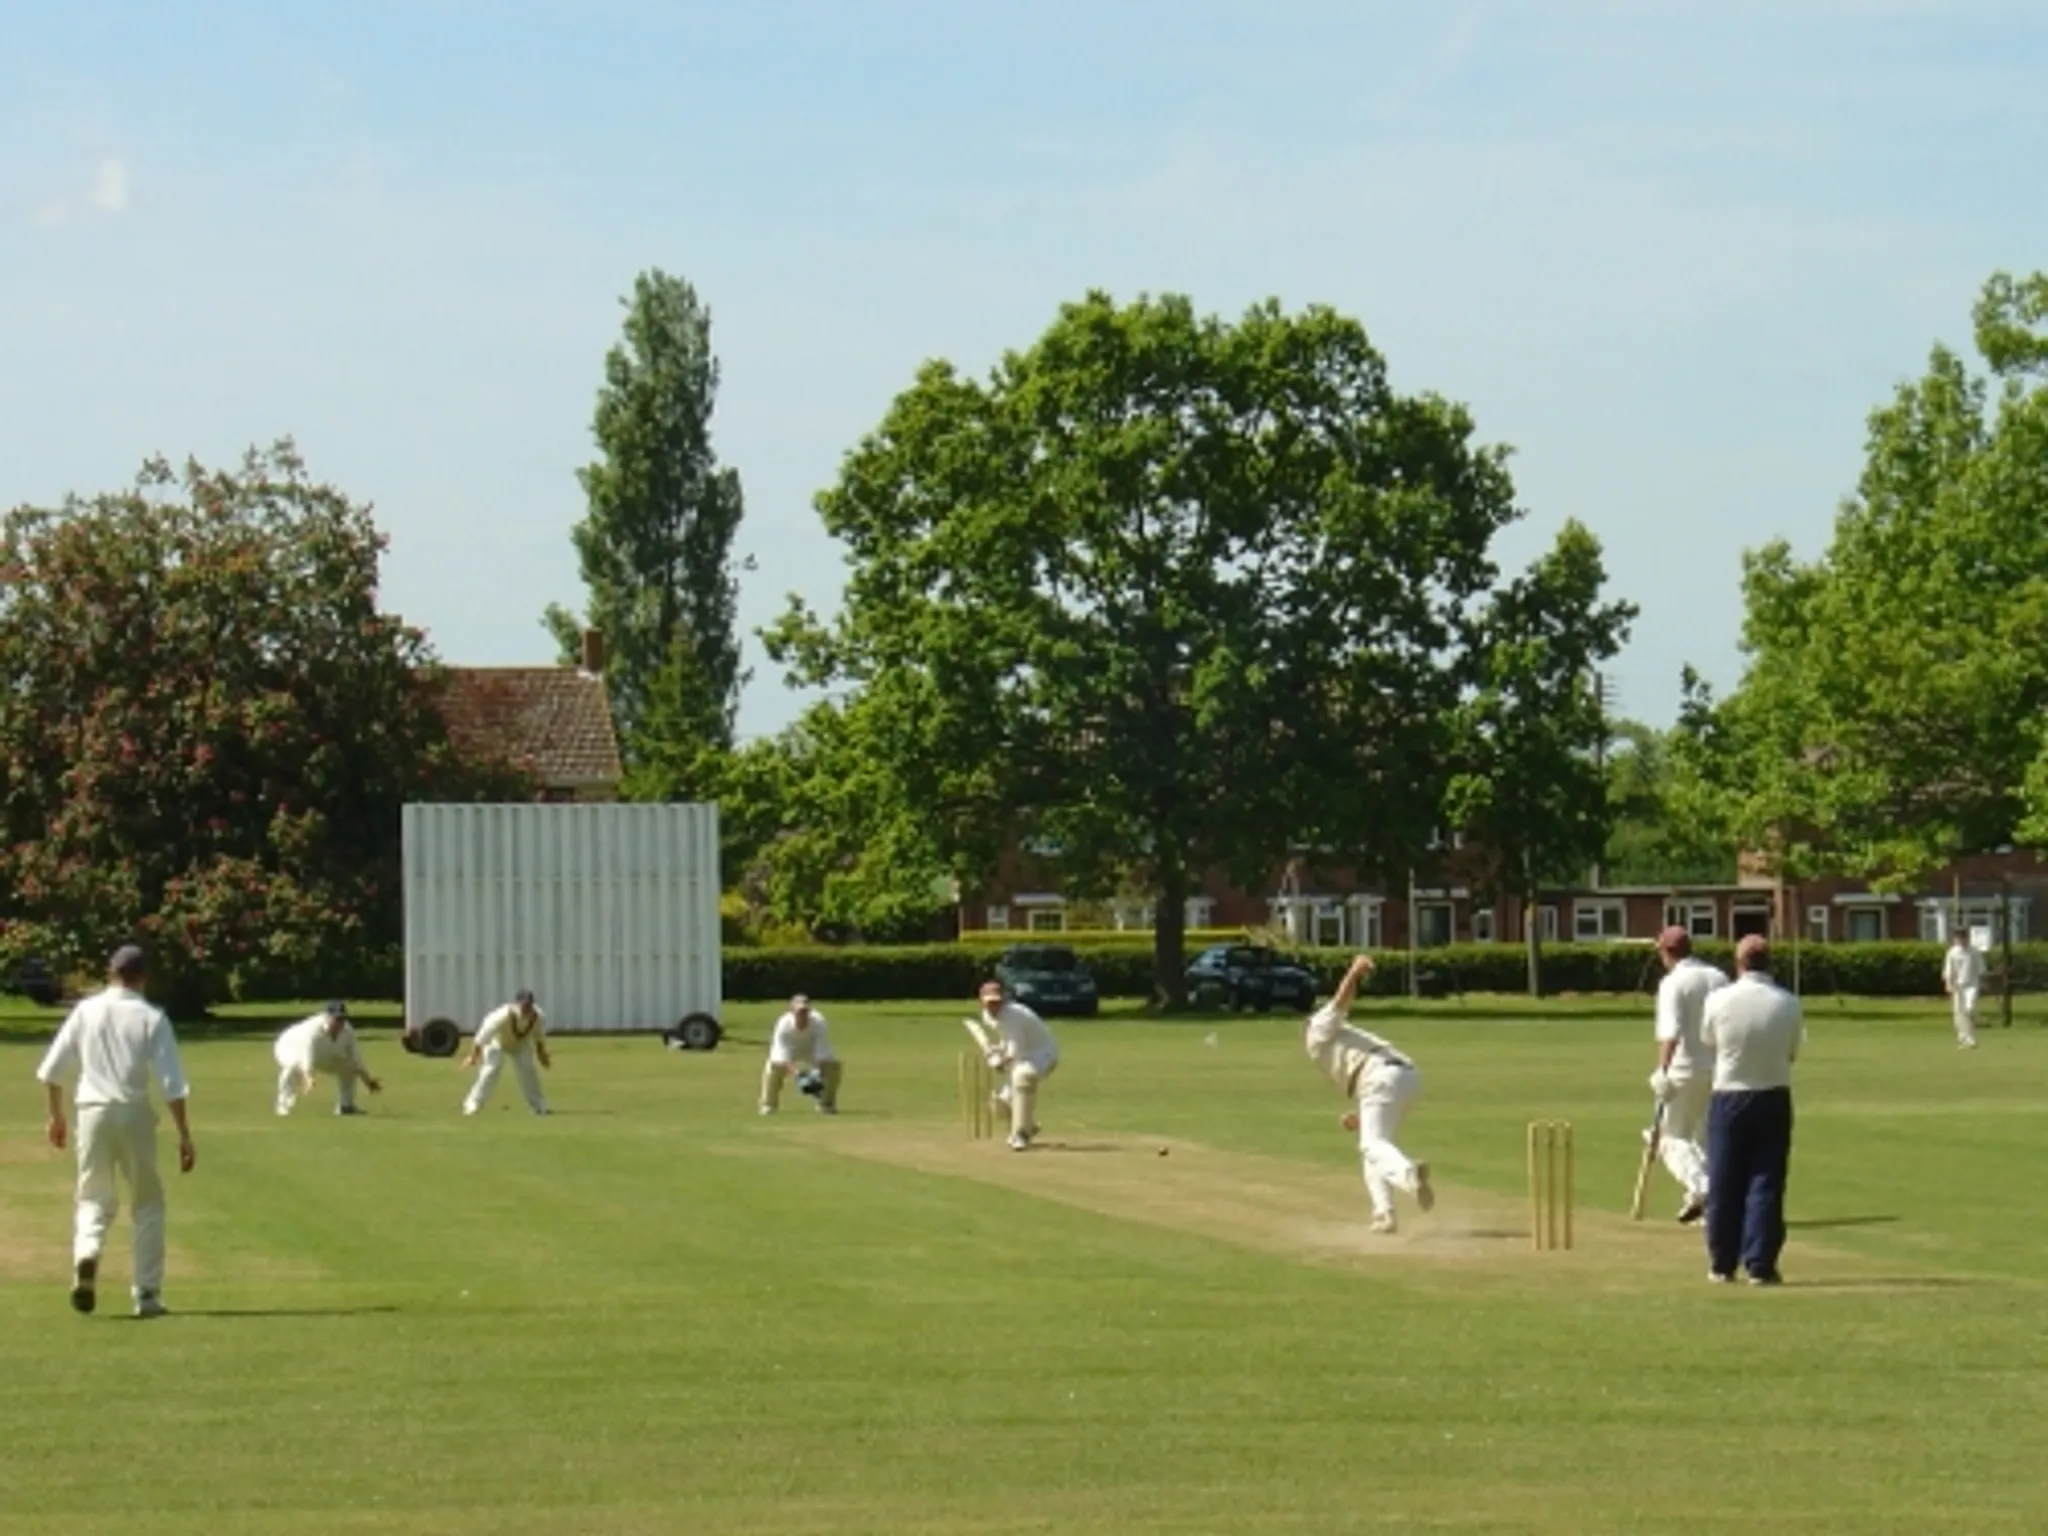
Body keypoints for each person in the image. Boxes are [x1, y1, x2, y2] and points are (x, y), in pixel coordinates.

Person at [33, 945, 196, 1319]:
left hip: (91, 1112)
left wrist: (55, 1117)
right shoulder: (151, 1017)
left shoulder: (86, 1011)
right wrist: (184, 1134)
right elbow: (172, 1083)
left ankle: (87, 1254)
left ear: (111, 972)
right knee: (148, 1203)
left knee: (93, 1198)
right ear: (144, 976)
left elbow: (52, 1070)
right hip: (134, 1112)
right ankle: (147, 1293)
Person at [1699, 934, 1804, 1285]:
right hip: (1773, 1095)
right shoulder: (1788, 1002)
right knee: (1766, 1182)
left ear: (1738, 963)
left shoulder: (1718, 1000)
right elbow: (1792, 1052)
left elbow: (1709, 1041)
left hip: (1729, 1093)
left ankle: (1722, 1263)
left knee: (1724, 1180)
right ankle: (1760, 1264)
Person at [1304, 954, 1433, 1234]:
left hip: (1382, 1077)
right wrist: (1361, 1117)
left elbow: (1340, 1003)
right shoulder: (1336, 1047)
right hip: (1406, 1078)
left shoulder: (1316, 1028)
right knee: (1373, 1149)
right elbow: (1369, 1086)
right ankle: (1384, 1213)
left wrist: (1354, 971)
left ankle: (1407, 1174)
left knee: (1372, 1145)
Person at [1647, 926, 1729, 1224]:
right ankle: (1704, 1203)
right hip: (1720, 1068)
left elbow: (1670, 1033)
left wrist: (1662, 1071)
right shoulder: (1718, 977)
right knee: (1706, 1139)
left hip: (1683, 1069)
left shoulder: (1673, 982)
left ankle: (1704, 1188)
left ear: (1666, 952)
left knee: (1669, 1138)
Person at [966, 980, 1059, 1151]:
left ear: (1004, 999)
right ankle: (1029, 1124)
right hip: (1025, 1053)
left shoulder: (1013, 1015)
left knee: (1023, 1076)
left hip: (1042, 1054)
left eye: (997, 1001)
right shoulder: (988, 1016)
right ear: (981, 1001)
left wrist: (998, 1062)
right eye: (990, 1003)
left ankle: (1020, 1135)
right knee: (1000, 1104)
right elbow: (1009, 1039)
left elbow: (1014, 1052)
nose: (994, 1006)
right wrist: (997, 1050)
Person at [273, 1000, 383, 1116]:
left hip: (324, 1053)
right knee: (292, 1066)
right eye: (337, 1019)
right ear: (327, 1017)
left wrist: (367, 1080)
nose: (340, 1023)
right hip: (289, 1046)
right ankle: (283, 1106)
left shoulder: (348, 1031)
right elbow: (306, 1057)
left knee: (349, 1067)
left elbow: (356, 1060)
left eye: (342, 1019)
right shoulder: (312, 1031)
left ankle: (345, 1106)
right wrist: (308, 1078)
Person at [460, 989, 551, 1116]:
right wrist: (473, 1057)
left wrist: (542, 1056)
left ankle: (538, 1105)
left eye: (529, 1005)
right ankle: (473, 1103)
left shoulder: (538, 1016)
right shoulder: (501, 1015)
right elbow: (482, 1037)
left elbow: (538, 1037)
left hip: (520, 1045)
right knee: (491, 1069)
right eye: (524, 1006)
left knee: (528, 1070)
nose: (527, 1009)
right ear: (517, 1004)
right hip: (496, 1043)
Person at [759, 994, 843, 1115]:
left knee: (833, 1067)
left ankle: (826, 1104)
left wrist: (816, 1074)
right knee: (773, 1067)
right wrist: (799, 1075)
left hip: (811, 1049)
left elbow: (822, 1052)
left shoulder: (819, 1022)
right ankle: (768, 1105)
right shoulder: (783, 1024)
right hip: (790, 1050)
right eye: (799, 1012)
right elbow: (783, 1058)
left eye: (805, 1011)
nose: (802, 1015)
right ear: (792, 1011)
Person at [1941, 930, 1983, 1049]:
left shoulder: (1974, 952)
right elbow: (1949, 969)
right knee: (1959, 1013)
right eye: (1959, 938)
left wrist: (1983, 982)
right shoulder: (1952, 952)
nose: (1962, 941)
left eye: (1964, 938)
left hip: (1972, 985)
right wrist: (1949, 983)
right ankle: (1964, 1038)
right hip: (1957, 986)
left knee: (1970, 1009)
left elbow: (1980, 969)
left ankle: (1970, 1037)